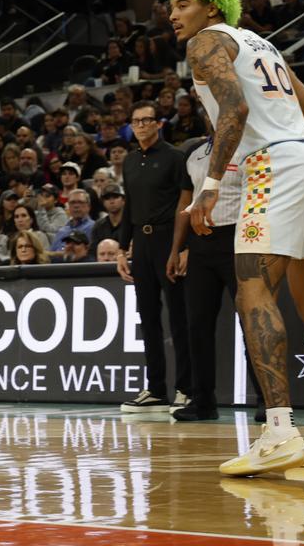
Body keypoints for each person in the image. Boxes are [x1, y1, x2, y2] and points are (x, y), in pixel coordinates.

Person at [170, 0, 304, 475]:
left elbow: (233, 108)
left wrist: (210, 187)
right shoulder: (264, 46)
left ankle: (279, 432)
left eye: (183, 4)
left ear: (213, 7)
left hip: (273, 165)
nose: (173, 14)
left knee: (253, 288)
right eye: (170, 6)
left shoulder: (207, 42)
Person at [168, 133, 265, 422]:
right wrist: (177, 248)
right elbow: (184, 205)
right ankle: (203, 402)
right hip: (200, 245)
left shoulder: (249, 146)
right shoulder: (194, 153)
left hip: (239, 238)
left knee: (251, 321)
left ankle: (266, 400)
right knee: (197, 325)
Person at [116, 100, 192, 416]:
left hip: (167, 239)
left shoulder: (176, 158)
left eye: (147, 120)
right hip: (141, 243)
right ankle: (156, 389)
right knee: (147, 318)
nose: (142, 126)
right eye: (136, 121)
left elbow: (185, 204)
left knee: (178, 317)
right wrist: (122, 249)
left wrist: (184, 247)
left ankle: (186, 389)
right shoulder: (130, 162)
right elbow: (129, 206)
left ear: (159, 124)